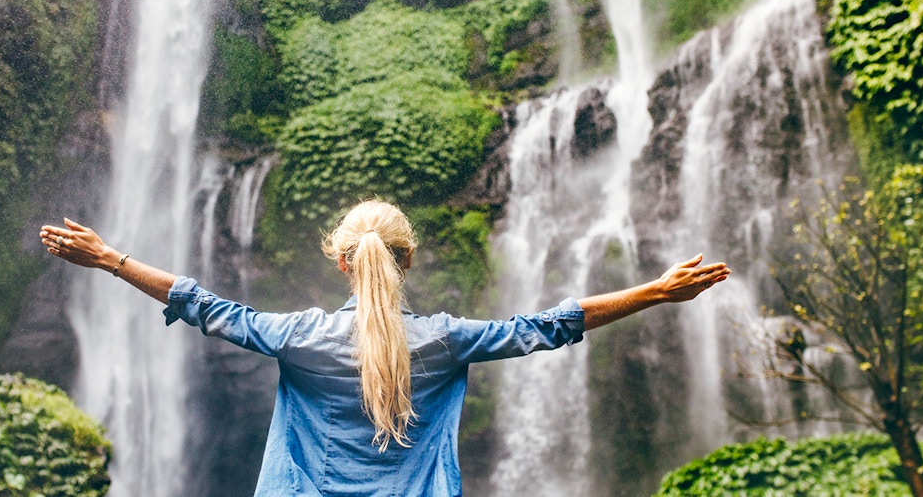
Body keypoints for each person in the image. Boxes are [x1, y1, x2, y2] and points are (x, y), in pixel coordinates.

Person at [40, 199, 729, 497]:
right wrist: (655, 291)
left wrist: (111, 258)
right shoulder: (446, 341)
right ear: (410, 258)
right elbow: (548, 323)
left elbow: (203, 304)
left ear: (344, 261)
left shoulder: (299, 336)